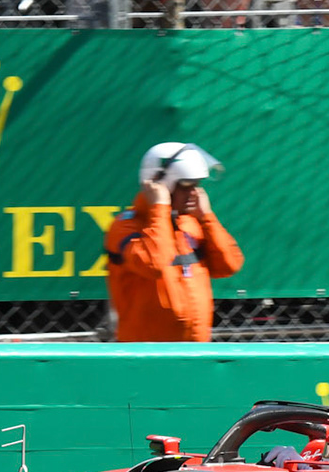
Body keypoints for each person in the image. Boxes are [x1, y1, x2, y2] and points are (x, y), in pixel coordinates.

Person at [104, 142, 243, 343]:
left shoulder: (191, 223)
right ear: (159, 184)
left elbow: (229, 265)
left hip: (197, 350)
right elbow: (154, 264)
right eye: (186, 185)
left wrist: (207, 218)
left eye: (197, 185)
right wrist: (160, 207)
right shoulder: (125, 228)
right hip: (146, 356)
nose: (194, 193)